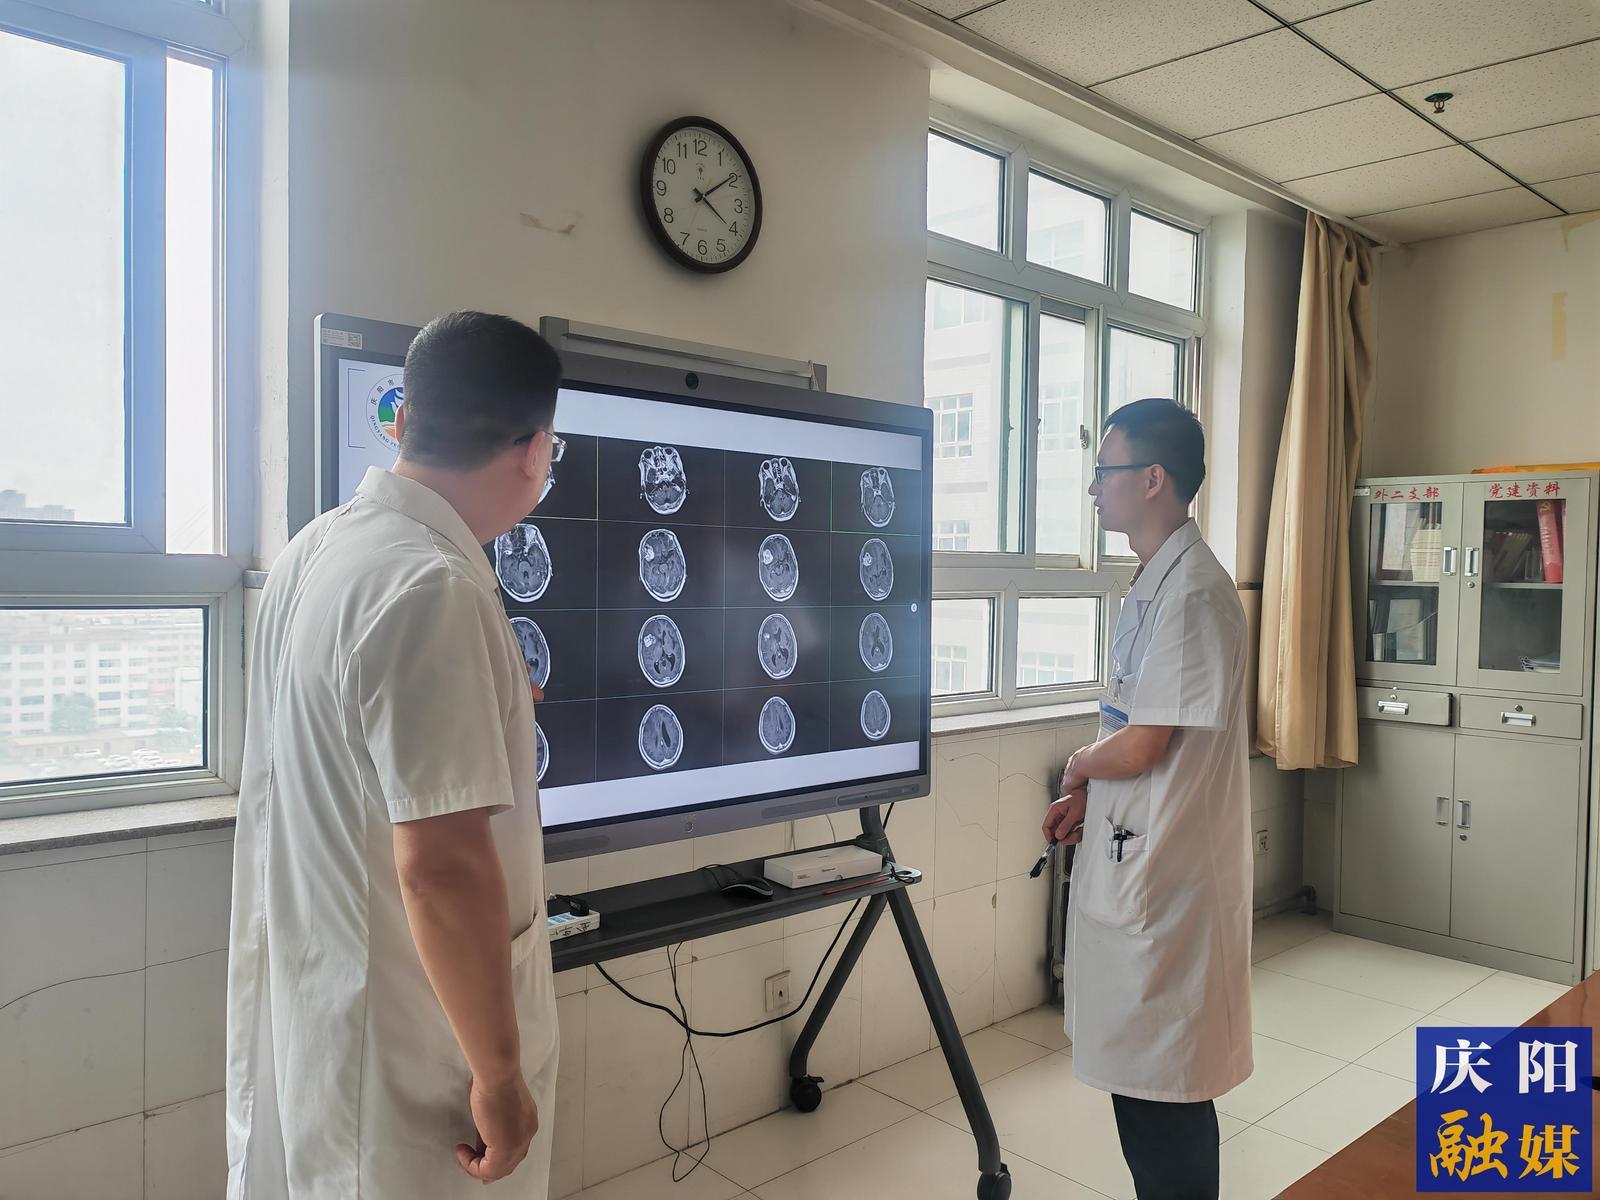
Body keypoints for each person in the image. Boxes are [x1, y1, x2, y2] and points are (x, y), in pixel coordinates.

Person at [226, 311, 565, 1198]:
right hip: (416, 1061)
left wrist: (485, 705)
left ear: (404, 422)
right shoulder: (433, 587)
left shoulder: (316, 551)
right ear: (536, 452)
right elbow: (442, 868)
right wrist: (499, 1076)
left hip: (333, 1013)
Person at [1041, 398, 1252, 1200]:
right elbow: (1133, 720)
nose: (1095, 487)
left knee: (1165, 1096)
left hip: (1168, 879)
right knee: (1145, 1089)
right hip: (1140, 856)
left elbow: (1143, 744)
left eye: (1106, 471)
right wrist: (1092, 796)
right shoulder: (1157, 581)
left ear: (1154, 479)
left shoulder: (1193, 592)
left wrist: (1078, 767)